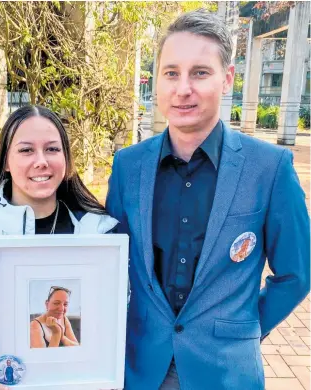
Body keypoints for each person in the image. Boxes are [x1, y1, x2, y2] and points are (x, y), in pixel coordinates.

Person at [106, 9, 310, 390]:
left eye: (200, 72)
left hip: (226, 372)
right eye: (171, 73)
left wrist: (244, 330)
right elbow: (110, 263)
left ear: (227, 77)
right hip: (142, 368)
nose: (183, 88)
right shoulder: (127, 166)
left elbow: (297, 274)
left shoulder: (270, 167)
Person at [0, 105, 118, 390]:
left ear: (66, 158)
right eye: (26, 150)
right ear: (5, 161)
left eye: (53, 149)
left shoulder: (100, 235)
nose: (41, 161)